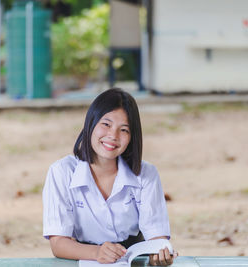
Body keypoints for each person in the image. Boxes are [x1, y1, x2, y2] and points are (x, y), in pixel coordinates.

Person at [42, 88, 178, 265]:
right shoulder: (61, 172)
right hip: (83, 260)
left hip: (132, 260)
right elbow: (58, 244)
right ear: (91, 123)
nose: (113, 136)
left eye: (124, 130)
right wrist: (97, 252)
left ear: (132, 137)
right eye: (106, 124)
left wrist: (159, 254)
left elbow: (156, 236)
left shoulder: (147, 174)